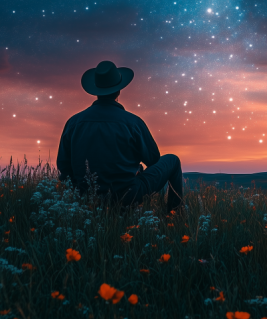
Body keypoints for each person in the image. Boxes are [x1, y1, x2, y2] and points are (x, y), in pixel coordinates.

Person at [56, 60, 184, 213]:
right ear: (119, 91)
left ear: (96, 91)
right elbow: (153, 159)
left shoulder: (73, 123)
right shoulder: (133, 122)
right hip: (128, 195)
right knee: (172, 160)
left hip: (87, 197)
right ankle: (175, 213)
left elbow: (64, 168)